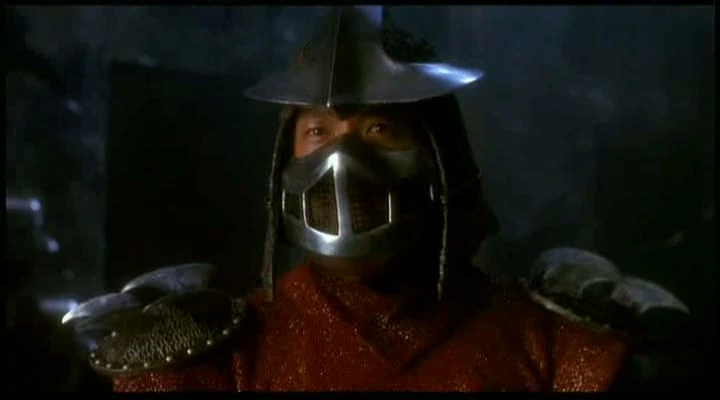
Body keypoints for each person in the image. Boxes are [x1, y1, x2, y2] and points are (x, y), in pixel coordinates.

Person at [62, 6, 687, 392]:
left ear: (440, 157)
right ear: (286, 160)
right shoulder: (216, 359)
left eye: (380, 128)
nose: (343, 159)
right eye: (318, 131)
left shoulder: (551, 346)